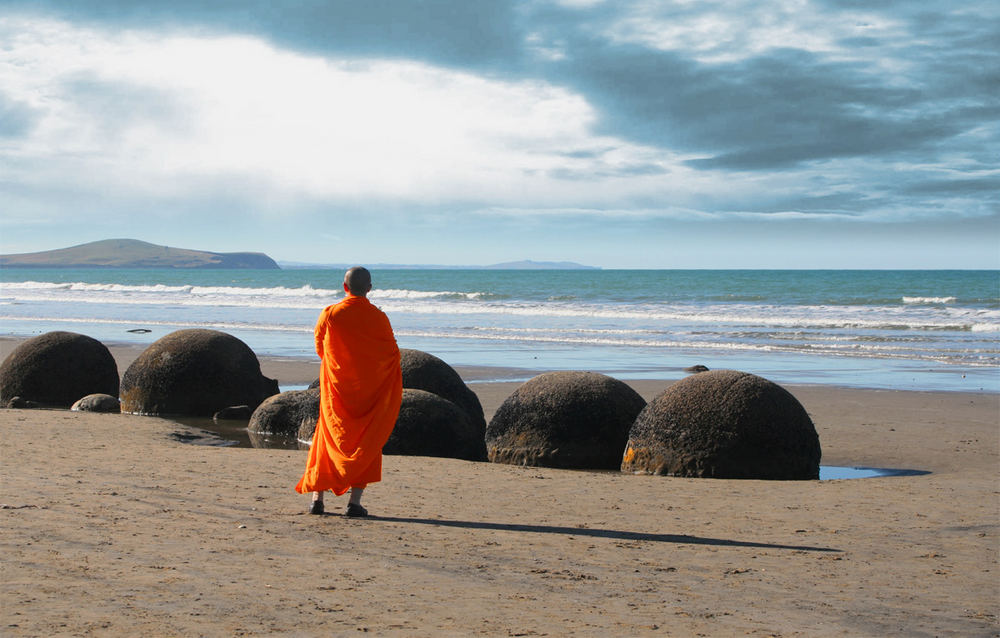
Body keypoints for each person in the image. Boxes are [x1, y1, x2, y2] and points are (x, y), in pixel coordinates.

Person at [295, 267, 403, 517]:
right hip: (369, 389)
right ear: (369, 289)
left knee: (328, 435)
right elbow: (391, 353)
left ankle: (317, 500)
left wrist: (339, 365)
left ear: (344, 287)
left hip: (337, 388)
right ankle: (354, 503)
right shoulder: (379, 317)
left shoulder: (331, 313)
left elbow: (320, 347)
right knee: (366, 439)